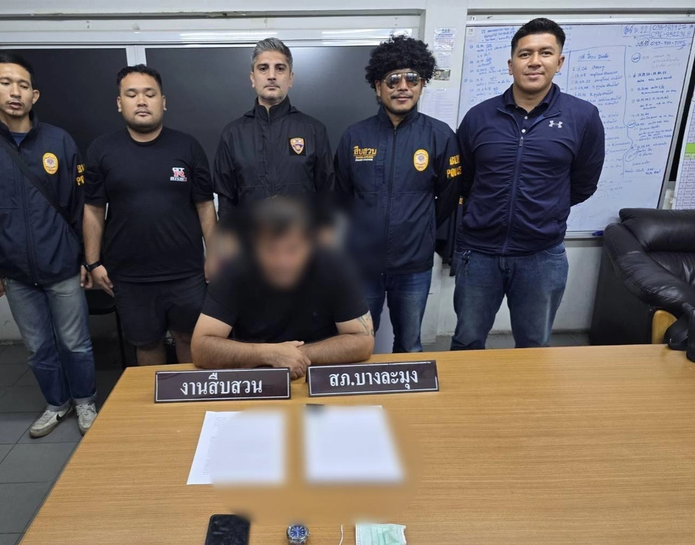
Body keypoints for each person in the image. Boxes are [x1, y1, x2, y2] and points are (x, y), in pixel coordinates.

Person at [0, 51, 97, 438]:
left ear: (35, 95)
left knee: (76, 343)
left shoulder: (58, 141)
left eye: (23, 85)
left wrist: (87, 259)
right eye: (5, 83)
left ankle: (85, 401)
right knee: (38, 347)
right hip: (14, 271)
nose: (15, 92)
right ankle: (57, 404)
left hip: (62, 265)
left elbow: (79, 206)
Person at [451, 18, 605, 350]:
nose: (534, 61)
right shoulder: (479, 117)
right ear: (511, 65)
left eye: (545, 53)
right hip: (478, 253)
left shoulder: (583, 117)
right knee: (467, 341)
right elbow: (465, 180)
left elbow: (583, 183)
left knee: (534, 345)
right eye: (525, 54)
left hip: (541, 255)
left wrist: (545, 210)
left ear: (559, 62)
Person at [334, 35, 462, 353]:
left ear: (422, 84)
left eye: (412, 78)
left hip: (414, 265)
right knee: (357, 345)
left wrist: (421, 229)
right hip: (362, 264)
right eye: (393, 79)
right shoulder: (354, 136)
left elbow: (448, 197)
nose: (402, 87)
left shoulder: (440, 136)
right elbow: (341, 198)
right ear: (378, 87)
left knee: (410, 344)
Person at [83, 65, 217, 366]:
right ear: (120, 103)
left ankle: (188, 397)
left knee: (189, 338)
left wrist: (215, 255)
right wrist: (93, 262)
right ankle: (156, 398)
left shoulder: (188, 147)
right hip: (130, 276)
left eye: (149, 94)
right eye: (132, 94)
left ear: (163, 101)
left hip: (187, 272)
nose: (141, 101)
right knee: (147, 343)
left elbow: (205, 205)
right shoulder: (101, 150)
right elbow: (93, 209)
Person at [191, 196, 374, 379]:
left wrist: (294, 355)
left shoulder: (335, 266)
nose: (282, 262)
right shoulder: (234, 269)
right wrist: (269, 354)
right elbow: (200, 348)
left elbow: (362, 340)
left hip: (318, 378)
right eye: (271, 250)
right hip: (256, 378)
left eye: (292, 249)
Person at [213, 37, 334, 227]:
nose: (271, 76)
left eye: (280, 68)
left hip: (301, 242)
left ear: (290, 78)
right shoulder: (233, 134)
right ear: (252, 78)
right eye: (263, 68)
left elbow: (327, 196)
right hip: (250, 243)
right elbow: (226, 202)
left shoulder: (314, 130)